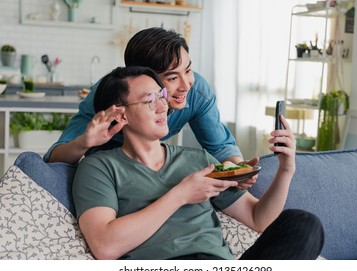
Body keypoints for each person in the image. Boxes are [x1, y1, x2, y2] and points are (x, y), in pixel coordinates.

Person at [72, 66, 324, 260]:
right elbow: (104, 246)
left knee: (304, 224)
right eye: (150, 100)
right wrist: (181, 194)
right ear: (121, 114)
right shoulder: (98, 167)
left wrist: (286, 169)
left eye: (162, 95)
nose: (163, 106)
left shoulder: (198, 159)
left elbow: (258, 219)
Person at [44, 27, 259, 189]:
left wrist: (239, 170)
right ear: (144, 79)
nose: (186, 85)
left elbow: (221, 147)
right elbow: (54, 159)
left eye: (188, 70)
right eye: (173, 77)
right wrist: (84, 143)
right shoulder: (105, 97)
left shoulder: (198, 92)